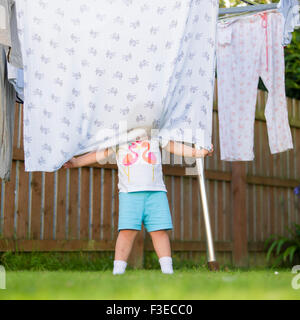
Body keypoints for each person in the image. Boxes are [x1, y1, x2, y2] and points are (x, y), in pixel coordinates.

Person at [63, 132, 213, 275]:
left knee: (160, 231)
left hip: (156, 192)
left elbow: (173, 146)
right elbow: (100, 153)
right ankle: (118, 271)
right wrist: (76, 161)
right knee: (127, 232)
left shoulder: (155, 132)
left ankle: (168, 271)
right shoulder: (120, 135)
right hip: (130, 194)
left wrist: (198, 153)